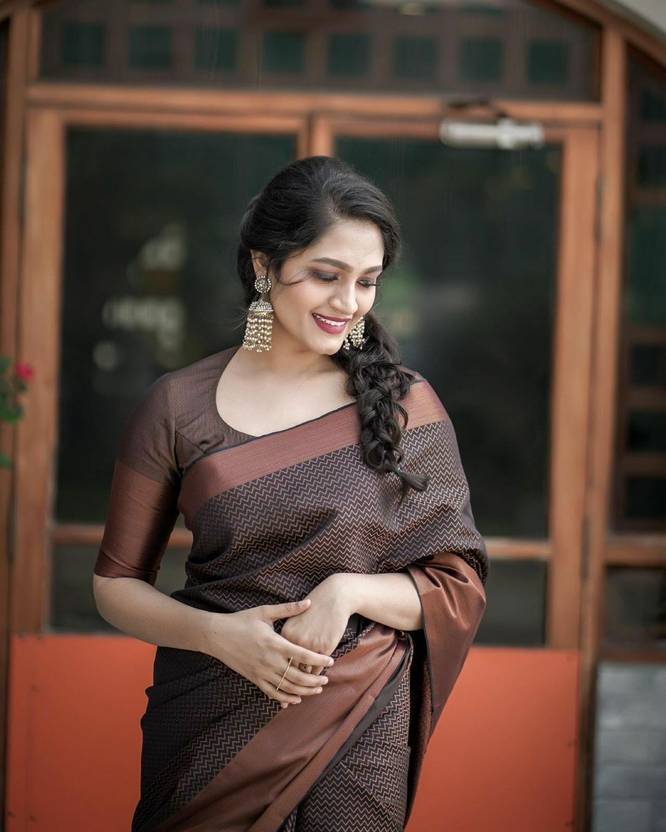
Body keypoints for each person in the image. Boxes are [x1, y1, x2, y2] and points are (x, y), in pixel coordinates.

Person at [92, 155, 489, 832]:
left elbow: (458, 585)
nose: (348, 302)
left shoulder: (404, 406)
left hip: (358, 717)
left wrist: (348, 592)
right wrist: (218, 636)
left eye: (367, 281)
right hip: (210, 719)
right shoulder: (178, 406)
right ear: (264, 265)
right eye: (326, 276)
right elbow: (115, 585)